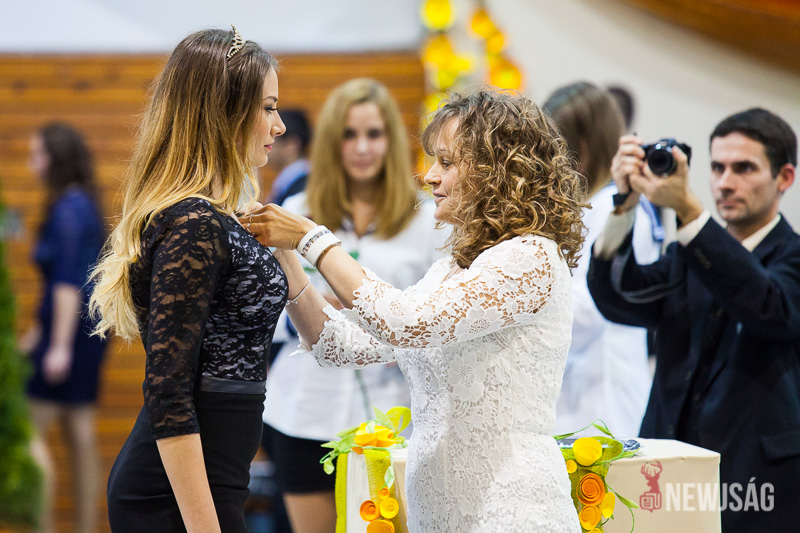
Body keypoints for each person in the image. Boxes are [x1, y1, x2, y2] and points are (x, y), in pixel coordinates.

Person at [247, 90, 585, 532]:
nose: (429, 176)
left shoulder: (530, 258)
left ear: (497, 170)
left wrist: (312, 238)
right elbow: (339, 346)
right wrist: (286, 256)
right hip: (440, 516)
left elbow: (405, 323)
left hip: (512, 511)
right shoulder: (451, 270)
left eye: (447, 162)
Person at [88, 27, 287, 532]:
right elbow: (168, 388)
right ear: (225, 113)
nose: (279, 125)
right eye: (267, 108)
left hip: (217, 478)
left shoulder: (219, 217)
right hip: (173, 493)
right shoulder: (196, 224)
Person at [587, 108, 799, 532]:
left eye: (743, 168)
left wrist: (689, 211)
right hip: (667, 472)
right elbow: (619, 298)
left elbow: (769, 308)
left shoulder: (791, 257)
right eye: (717, 167)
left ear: (784, 178)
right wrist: (624, 207)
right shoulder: (690, 253)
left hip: (755, 485)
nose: (724, 182)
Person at [262, 78, 446, 533]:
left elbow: (438, 316)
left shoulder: (428, 218)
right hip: (303, 411)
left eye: (374, 134)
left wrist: (380, 319)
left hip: (393, 416)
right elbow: (268, 307)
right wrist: (311, 309)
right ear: (331, 142)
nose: (362, 147)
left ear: (391, 140)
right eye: (349, 134)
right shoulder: (297, 209)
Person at [542, 82, 661, 437]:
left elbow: (590, 306)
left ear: (585, 145)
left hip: (602, 390)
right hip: (581, 384)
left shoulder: (615, 207)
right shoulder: (591, 205)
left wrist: (522, 307)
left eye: (557, 145)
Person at [18, 122, 108, 533]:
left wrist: (57, 346)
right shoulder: (82, 203)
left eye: (38, 155)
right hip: (83, 335)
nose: (32, 164)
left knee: (27, 431)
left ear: (56, 159)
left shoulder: (69, 209)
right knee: (79, 430)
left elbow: (69, 284)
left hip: (69, 335)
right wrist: (40, 335)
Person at [266, 109, 311, 206]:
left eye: (272, 137)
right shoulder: (288, 184)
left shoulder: (303, 187)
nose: (265, 142)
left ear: (291, 145)